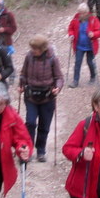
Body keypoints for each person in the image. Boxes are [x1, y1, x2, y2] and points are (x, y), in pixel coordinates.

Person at [18, 35, 64, 163]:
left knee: (44, 126)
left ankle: (41, 150)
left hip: (47, 97)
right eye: (32, 48)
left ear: (43, 48)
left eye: (36, 48)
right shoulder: (29, 57)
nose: (33, 51)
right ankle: (28, 149)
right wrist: (21, 84)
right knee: (30, 123)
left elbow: (59, 77)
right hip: (31, 96)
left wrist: (58, 88)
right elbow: (23, 73)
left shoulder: (52, 59)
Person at [67, 2, 100, 88]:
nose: (81, 15)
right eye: (80, 12)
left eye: (83, 13)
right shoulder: (75, 20)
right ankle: (75, 81)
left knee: (90, 62)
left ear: (87, 12)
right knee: (77, 63)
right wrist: (71, 35)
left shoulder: (93, 19)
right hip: (79, 46)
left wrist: (93, 34)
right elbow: (70, 28)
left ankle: (93, 77)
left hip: (91, 46)